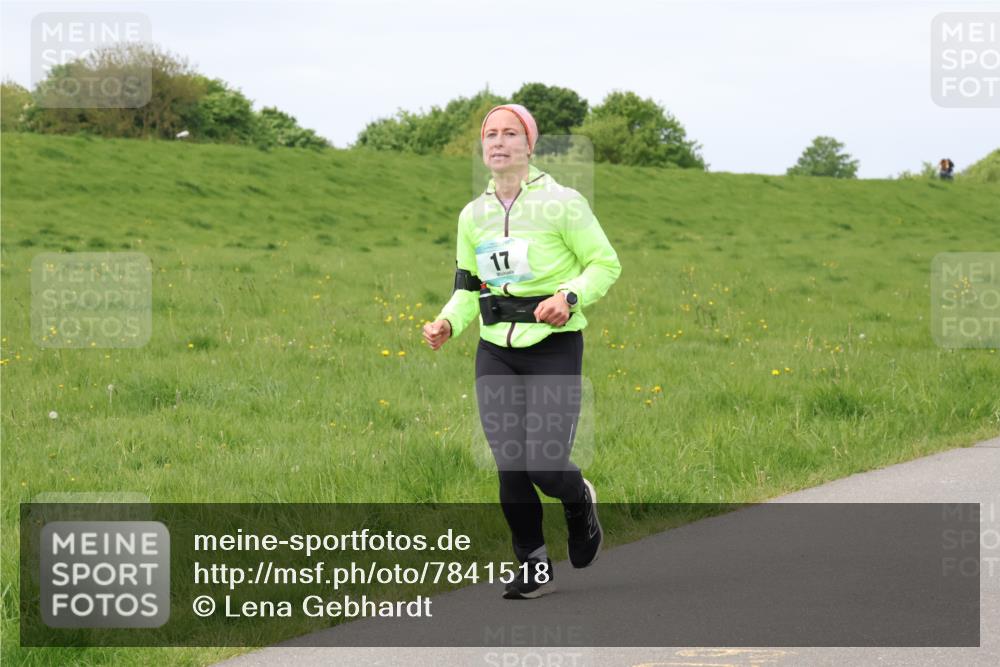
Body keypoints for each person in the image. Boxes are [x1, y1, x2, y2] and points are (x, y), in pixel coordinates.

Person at [423, 103, 622, 599]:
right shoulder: (473, 216)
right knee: (510, 463)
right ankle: (533, 564)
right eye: (490, 134)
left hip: (553, 346)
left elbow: (604, 263)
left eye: (511, 133)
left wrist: (568, 296)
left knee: (546, 467)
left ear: (529, 145)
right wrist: (448, 320)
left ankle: (578, 501)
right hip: (496, 351)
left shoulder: (565, 203)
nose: (498, 141)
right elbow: (469, 288)